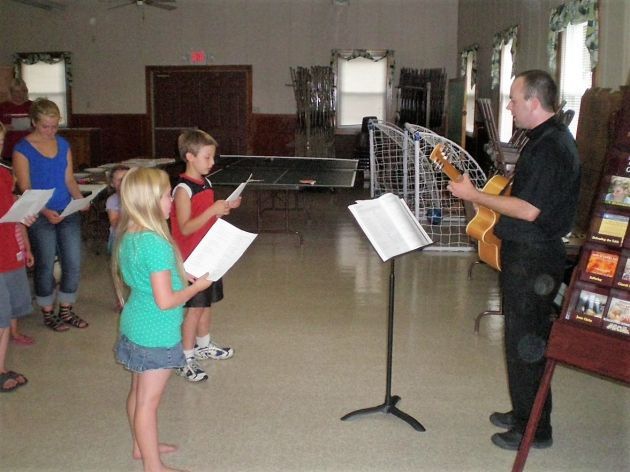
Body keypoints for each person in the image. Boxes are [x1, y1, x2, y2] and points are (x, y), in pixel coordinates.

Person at [447, 70, 580, 450]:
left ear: (534, 103)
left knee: (527, 344)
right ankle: (525, 412)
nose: (509, 106)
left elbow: (528, 209)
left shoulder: (550, 147)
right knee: (522, 341)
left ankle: (535, 429)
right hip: (529, 256)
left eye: (514, 99)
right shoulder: (544, 139)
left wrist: (475, 195)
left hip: (535, 259)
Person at [111, 166, 212, 471]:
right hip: (156, 332)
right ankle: (153, 466)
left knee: (138, 392)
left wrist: (182, 275)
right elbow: (166, 300)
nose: (172, 201)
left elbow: (152, 279)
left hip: (135, 325)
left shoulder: (130, 233)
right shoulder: (155, 242)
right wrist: (196, 288)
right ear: (149, 201)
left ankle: (141, 447)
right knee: (148, 402)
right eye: (167, 195)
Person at [12, 98, 89, 332]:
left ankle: (66, 308)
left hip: (66, 211)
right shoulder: (22, 149)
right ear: (34, 122)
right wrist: (45, 210)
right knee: (45, 263)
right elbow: (25, 188)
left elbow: (69, 179)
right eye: (46, 126)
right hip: (39, 213)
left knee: (73, 260)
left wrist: (80, 200)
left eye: (55, 126)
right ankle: (47, 311)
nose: (51, 131)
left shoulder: (63, 144)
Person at [170, 129, 241, 382]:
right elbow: (186, 227)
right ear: (190, 156)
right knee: (194, 309)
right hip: (192, 260)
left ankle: (203, 344)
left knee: (206, 304)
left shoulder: (206, 183)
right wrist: (212, 210)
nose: (212, 162)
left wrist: (223, 208)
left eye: (212, 157)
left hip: (210, 252)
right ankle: (185, 357)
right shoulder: (182, 189)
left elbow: (206, 218)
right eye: (207, 157)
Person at [0, 121, 36, 393]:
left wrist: (23, 212)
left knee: (5, 317)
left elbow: (9, 205)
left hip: (9, 251)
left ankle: (1, 368)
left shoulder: (4, 173)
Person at [0, 78, 33, 160]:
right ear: (11, 92)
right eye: (16, 91)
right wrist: (4, 128)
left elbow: (41, 124)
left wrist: (34, 129)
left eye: (23, 91)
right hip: (8, 150)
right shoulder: (3, 107)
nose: (20, 94)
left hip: (29, 149)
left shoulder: (32, 106)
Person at [106, 165, 130, 254]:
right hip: (118, 237)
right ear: (112, 184)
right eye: (120, 180)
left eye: (127, 179)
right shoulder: (112, 200)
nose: (124, 182)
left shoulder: (138, 197)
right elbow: (115, 224)